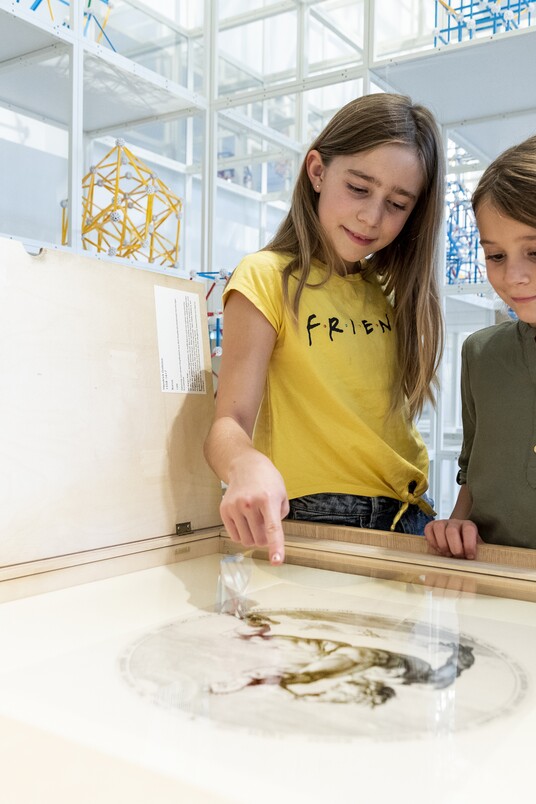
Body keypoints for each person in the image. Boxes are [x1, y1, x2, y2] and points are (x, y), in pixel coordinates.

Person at [204, 93, 445, 565]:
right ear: (317, 171)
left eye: (397, 204)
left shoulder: (394, 293)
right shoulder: (265, 276)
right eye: (358, 188)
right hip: (315, 517)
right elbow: (226, 424)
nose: (371, 217)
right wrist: (246, 464)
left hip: (412, 521)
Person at [425, 135, 536, 559]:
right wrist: (456, 527)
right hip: (491, 589)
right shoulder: (479, 354)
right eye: (496, 256)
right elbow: (471, 472)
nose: (515, 277)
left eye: (535, 251)